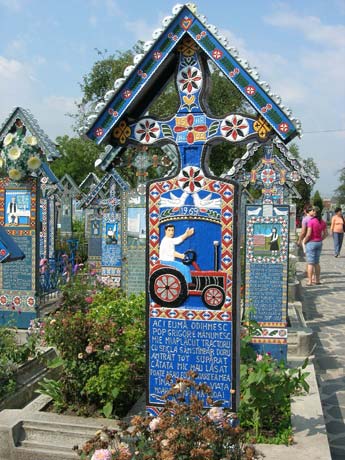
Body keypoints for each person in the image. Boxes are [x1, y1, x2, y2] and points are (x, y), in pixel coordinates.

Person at [303, 206, 328, 286]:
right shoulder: (323, 222)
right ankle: (317, 280)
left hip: (311, 243)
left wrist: (304, 241)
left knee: (310, 263)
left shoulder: (311, 221)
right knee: (316, 263)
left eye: (313, 211)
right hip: (319, 242)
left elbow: (309, 234)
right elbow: (326, 234)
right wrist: (321, 239)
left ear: (315, 212)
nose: (312, 212)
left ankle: (310, 281)